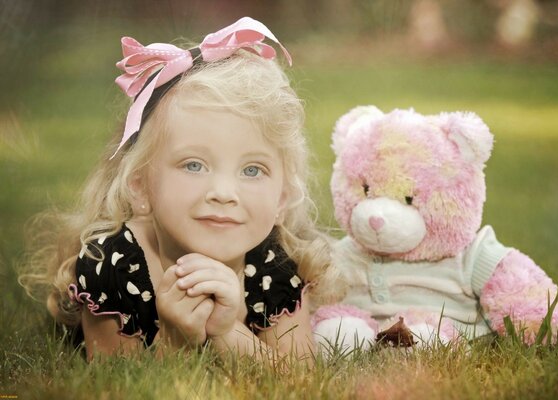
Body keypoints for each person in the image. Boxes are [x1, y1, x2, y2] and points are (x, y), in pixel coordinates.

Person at [19, 17, 332, 363]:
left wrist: (227, 330)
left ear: (282, 200)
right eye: (194, 165)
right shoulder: (113, 265)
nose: (224, 193)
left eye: (252, 170)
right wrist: (175, 337)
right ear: (140, 187)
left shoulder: (272, 263)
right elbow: (116, 383)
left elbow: (300, 377)